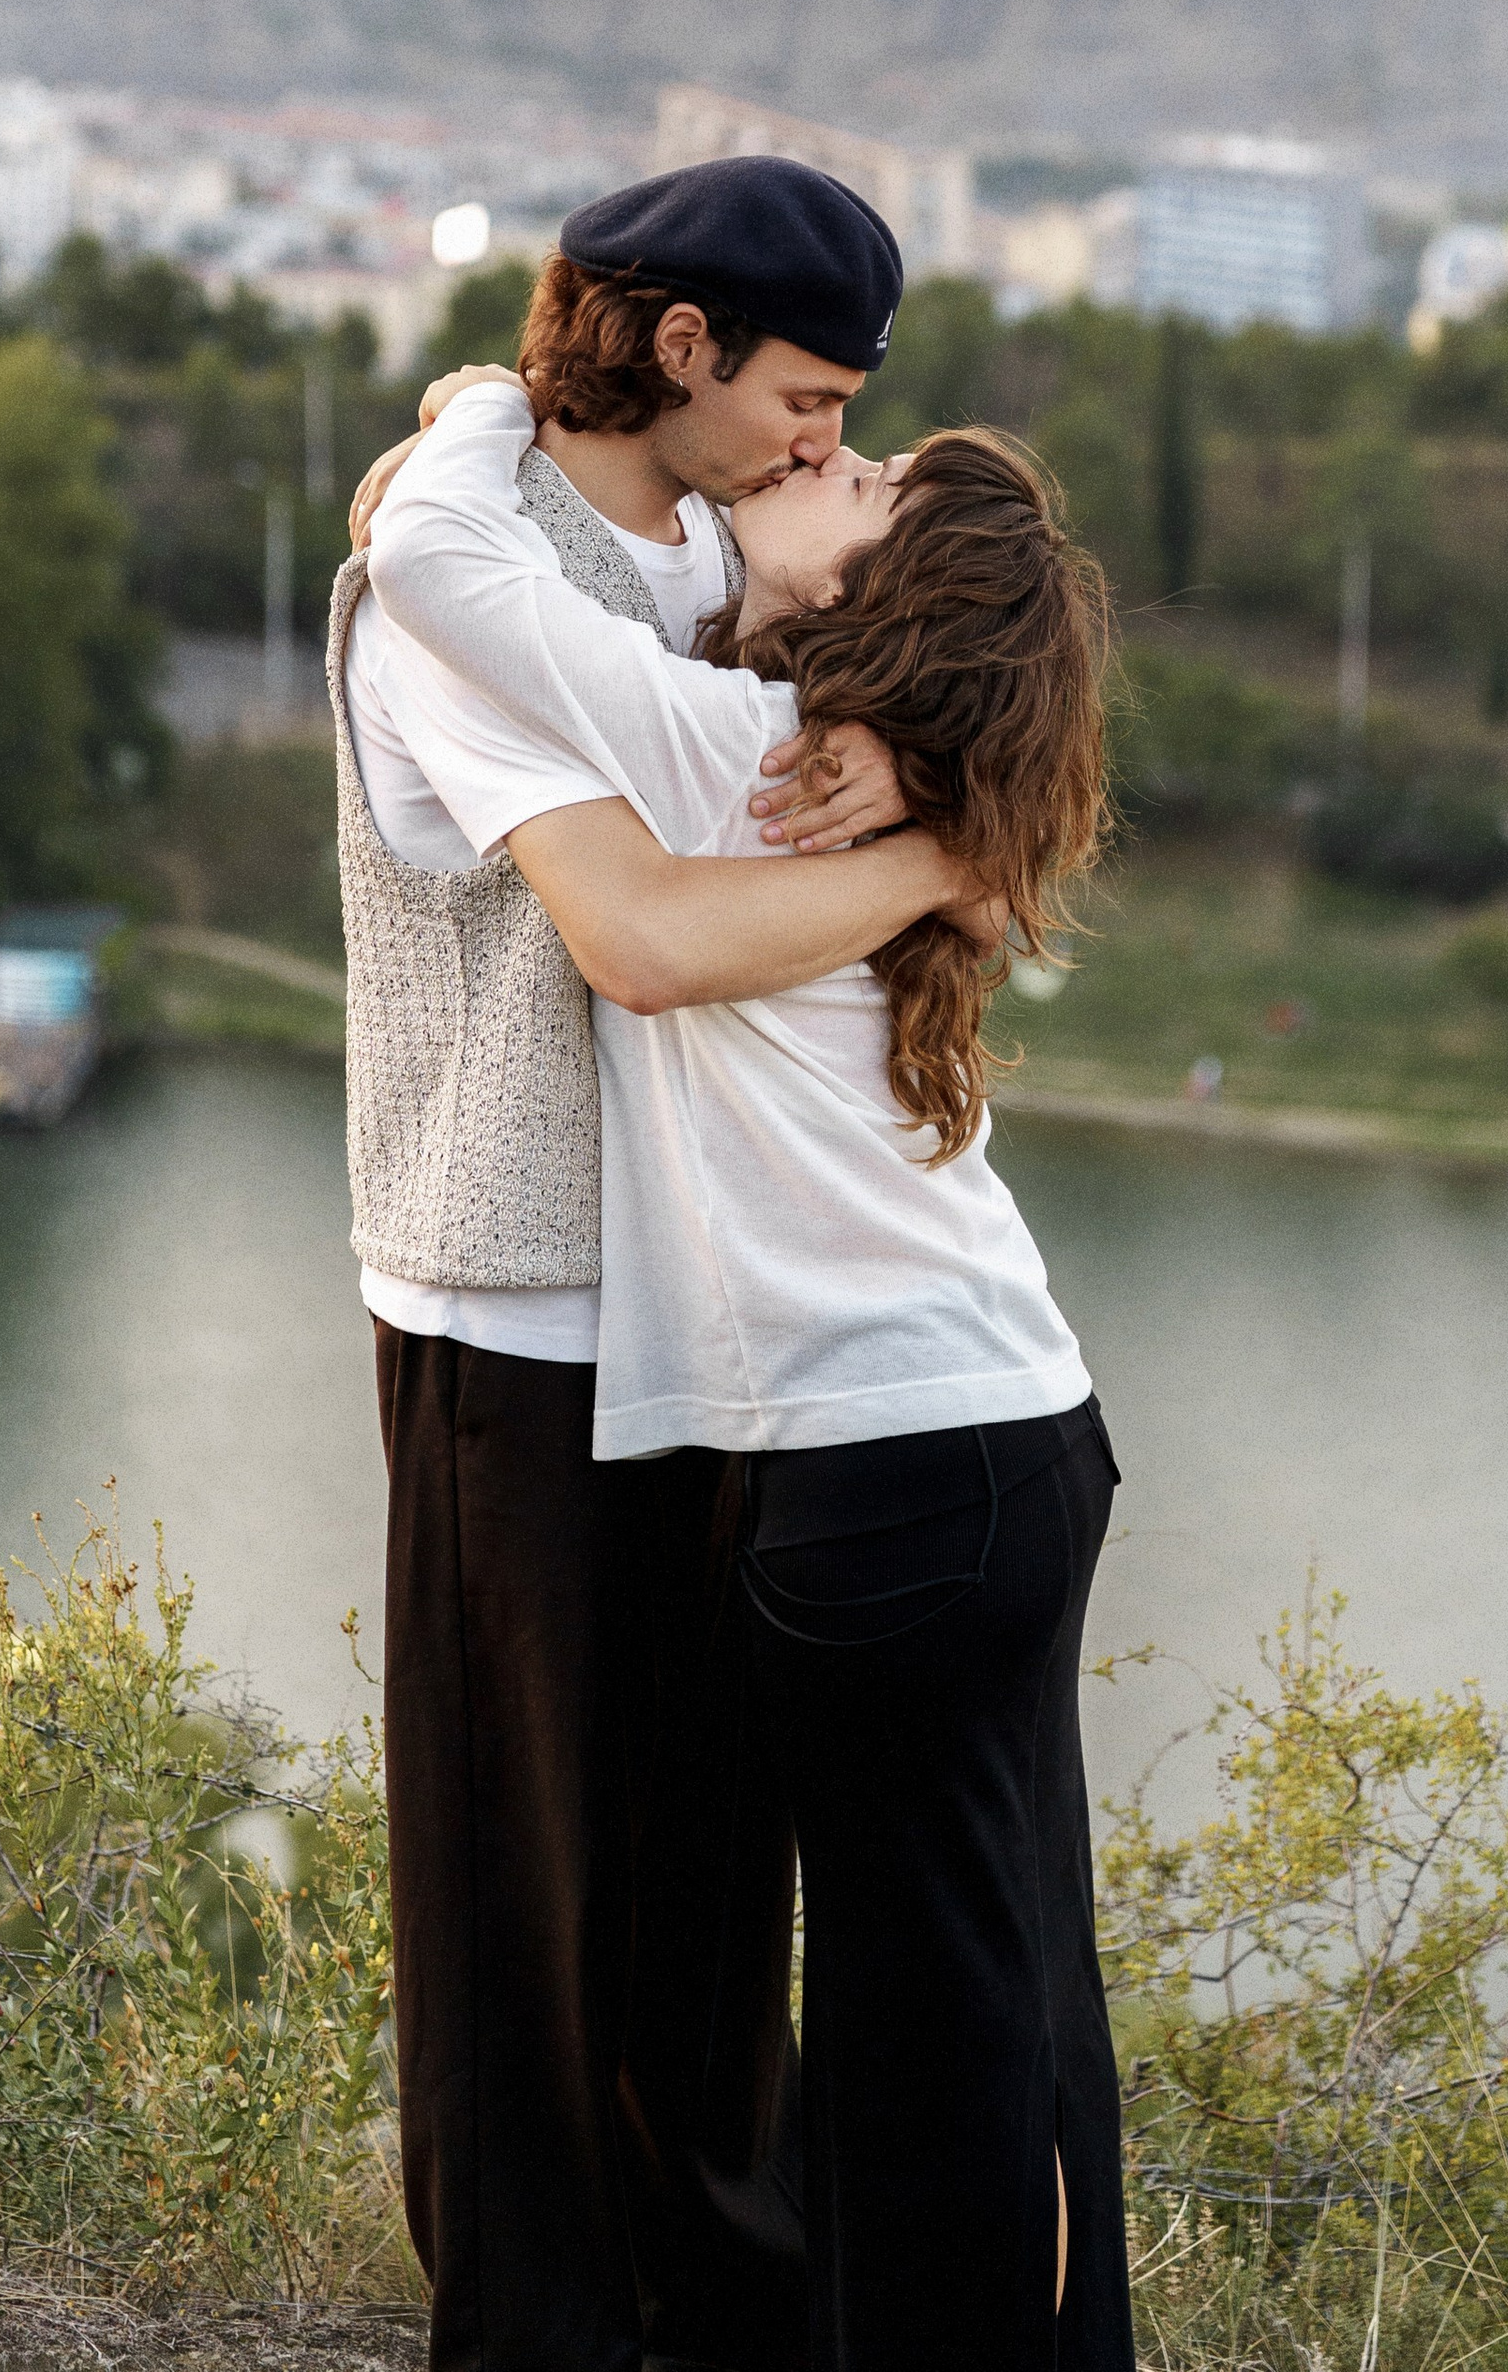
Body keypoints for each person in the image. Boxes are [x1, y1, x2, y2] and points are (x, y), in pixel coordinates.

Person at [366, 360, 1134, 2372]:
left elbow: (437, 565)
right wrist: (958, 833)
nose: (824, 453)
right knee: (1002, 2008)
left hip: (898, 1469)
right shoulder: (828, 762)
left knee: (932, 2054)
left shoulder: (741, 753)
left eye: (862, 475)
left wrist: (481, 405)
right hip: (992, 1438)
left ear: (875, 604)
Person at [333, 157, 971, 2372]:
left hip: (739, 1304)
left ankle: (728, 2319)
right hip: (517, 1299)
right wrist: (941, 848)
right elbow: (642, 932)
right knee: (522, 1891)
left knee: (716, 1875)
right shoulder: (452, 586)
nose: (827, 443)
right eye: (807, 396)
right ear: (679, 345)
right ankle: (532, 2334)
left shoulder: (739, 553)